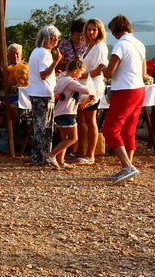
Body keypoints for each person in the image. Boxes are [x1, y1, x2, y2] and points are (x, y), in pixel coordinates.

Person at [102, 14, 148, 184]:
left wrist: (102, 67)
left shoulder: (120, 45)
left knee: (110, 128)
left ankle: (127, 166)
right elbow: (144, 71)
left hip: (125, 91)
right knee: (128, 129)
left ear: (114, 31)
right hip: (139, 89)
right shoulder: (139, 44)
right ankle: (127, 167)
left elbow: (109, 73)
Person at [25, 25, 62, 166]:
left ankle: (38, 157)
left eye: (57, 38)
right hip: (43, 94)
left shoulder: (36, 51)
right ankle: (42, 157)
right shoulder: (45, 53)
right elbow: (43, 75)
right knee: (44, 128)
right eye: (53, 39)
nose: (56, 41)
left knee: (40, 127)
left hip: (36, 92)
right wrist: (56, 61)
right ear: (45, 39)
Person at [73, 18, 109, 164]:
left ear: (99, 31)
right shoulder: (88, 46)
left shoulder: (100, 46)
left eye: (94, 29)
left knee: (90, 120)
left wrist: (81, 75)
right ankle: (80, 151)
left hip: (92, 88)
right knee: (80, 119)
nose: (91, 32)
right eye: (89, 29)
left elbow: (99, 70)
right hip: (82, 86)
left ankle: (90, 154)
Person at [49, 59, 96, 169]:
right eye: (80, 73)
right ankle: (51, 155)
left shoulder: (61, 80)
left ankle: (61, 162)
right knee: (73, 138)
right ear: (75, 71)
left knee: (64, 138)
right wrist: (93, 93)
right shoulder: (71, 82)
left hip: (59, 112)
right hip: (68, 112)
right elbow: (86, 90)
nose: (80, 76)